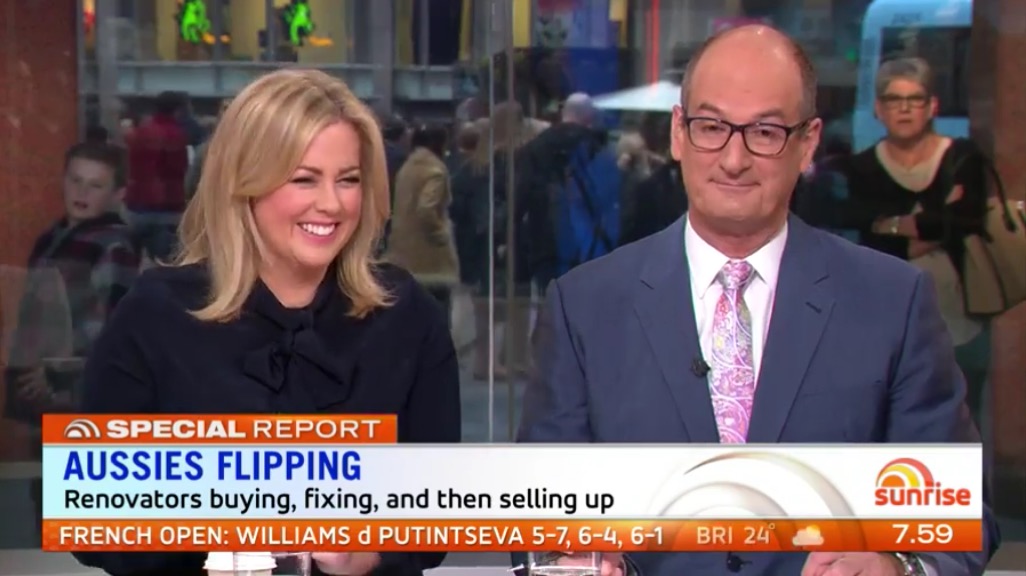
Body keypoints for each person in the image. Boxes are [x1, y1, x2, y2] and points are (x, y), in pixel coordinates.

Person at [516, 25, 997, 576]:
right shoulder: (584, 306)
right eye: (711, 127)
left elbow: (960, 517)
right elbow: (538, 513)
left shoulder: (893, 301)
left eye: (765, 132)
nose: (734, 159)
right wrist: (566, 562)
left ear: (808, 143)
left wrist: (900, 567)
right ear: (678, 132)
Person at [72, 69, 461, 576]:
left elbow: (434, 517)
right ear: (243, 185)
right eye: (304, 179)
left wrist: (365, 554)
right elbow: (94, 524)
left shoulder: (407, 315)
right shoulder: (154, 315)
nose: (332, 203)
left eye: (348, 180)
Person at [842, 57, 990, 426]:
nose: (904, 108)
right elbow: (865, 234)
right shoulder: (861, 168)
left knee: (962, 428)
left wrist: (892, 225)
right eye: (894, 99)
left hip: (961, 320)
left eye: (915, 99)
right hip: (883, 324)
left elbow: (969, 220)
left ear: (932, 106)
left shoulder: (962, 157)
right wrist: (937, 223)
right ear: (879, 109)